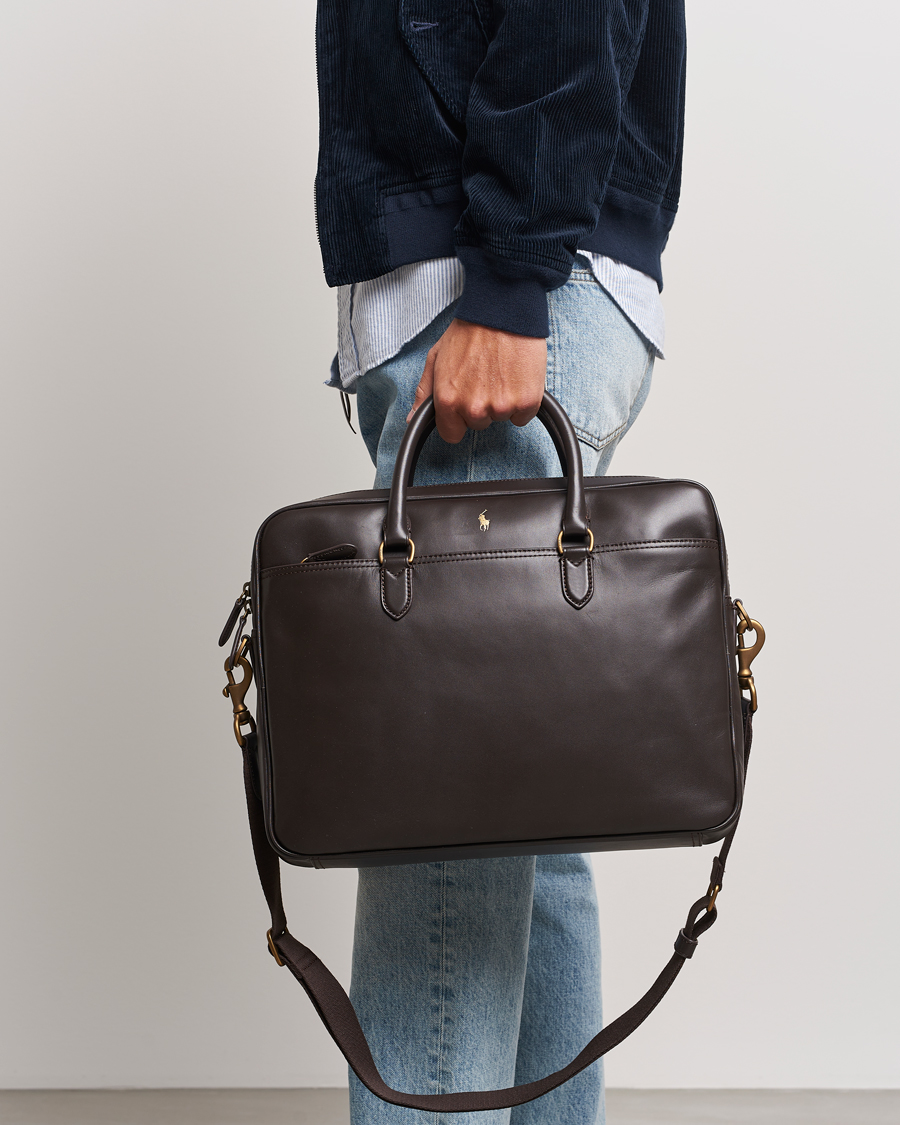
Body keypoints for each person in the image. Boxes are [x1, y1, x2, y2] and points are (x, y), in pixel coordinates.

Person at [313, 3, 686, 1122]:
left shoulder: (506, 280)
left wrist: (510, 278)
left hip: (502, 278)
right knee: (525, 806)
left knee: (447, 817)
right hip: (507, 264)